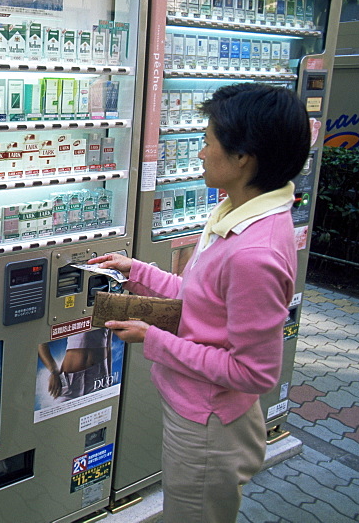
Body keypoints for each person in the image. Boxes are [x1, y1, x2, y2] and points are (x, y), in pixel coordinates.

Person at [88, 82, 310, 523]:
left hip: (211, 426)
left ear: (243, 157)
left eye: (207, 143)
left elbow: (254, 372)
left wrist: (153, 339)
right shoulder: (239, 210)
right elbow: (203, 297)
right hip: (200, 409)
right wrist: (138, 271)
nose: (200, 153)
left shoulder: (255, 253)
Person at [38, 328, 113, 400]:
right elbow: (40, 340)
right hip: (70, 380)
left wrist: (108, 377)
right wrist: (54, 370)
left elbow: (108, 345)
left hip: (99, 377)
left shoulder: (107, 315)